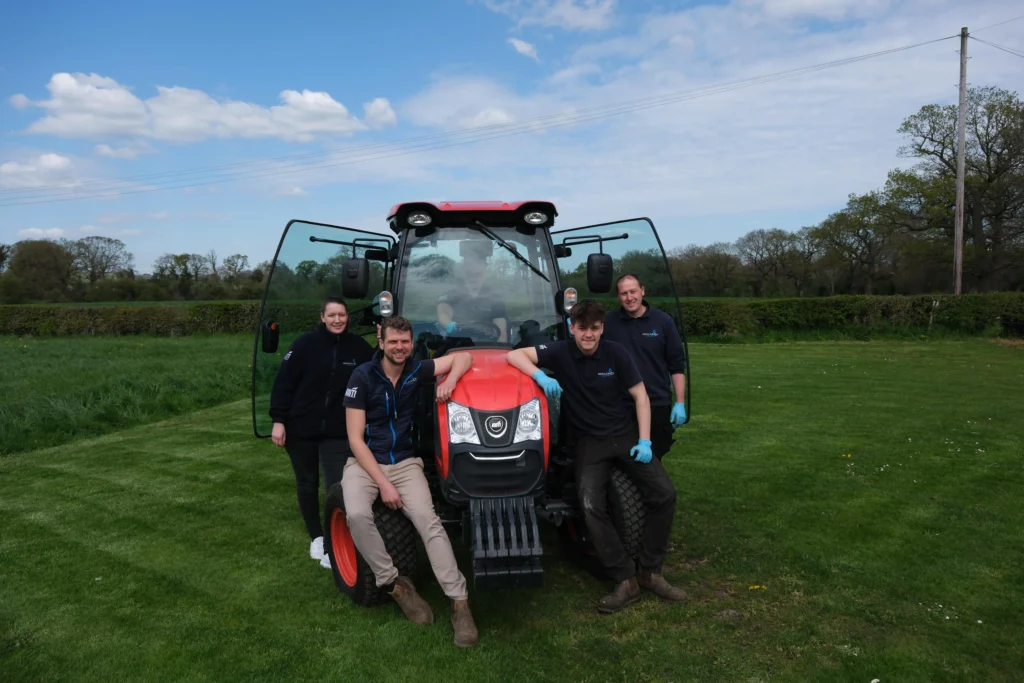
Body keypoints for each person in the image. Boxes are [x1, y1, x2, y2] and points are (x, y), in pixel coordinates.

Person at [505, 299, 688, 614]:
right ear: (572, 328)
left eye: (594, 328)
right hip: (589, 442)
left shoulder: (617, 353)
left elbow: (641, 396)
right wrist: (541, 377)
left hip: (625, 434)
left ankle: (651, 570)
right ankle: (625, 579)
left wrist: (645, 441)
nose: (588, 334)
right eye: (582, 328)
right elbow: (513, 355)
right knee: (590, 505)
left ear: (602, 328)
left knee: (664, 494)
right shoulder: (561, 351)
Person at [342, 315, 480, 648]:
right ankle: (395, 585)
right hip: (364, 463)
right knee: (358, 515)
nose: (400, 348)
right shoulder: (361, 377)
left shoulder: (417, 371)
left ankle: (459, 602)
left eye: (405, 342)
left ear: (411, 342)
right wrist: (384, 484)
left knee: (428, 521)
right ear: (382, 342)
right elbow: (355, 440)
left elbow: (464, 357)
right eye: (393, 342)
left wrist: (450, 380)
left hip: (405, 462)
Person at [269, 297, 376, 569]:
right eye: (332, 315)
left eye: (341, 315)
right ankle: (316, 536)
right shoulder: (304, 345)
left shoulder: (358, 347)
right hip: (301, 426)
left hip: (338, 430)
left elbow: (377, 370)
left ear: (347, 317)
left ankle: (334, 542)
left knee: (336, 486)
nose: (337, 320)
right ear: (322, 317)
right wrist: (278, 420)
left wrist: (383, 341)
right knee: (307, 483)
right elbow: (284, 384)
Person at [602, 274, 688, 459]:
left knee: (655, 456)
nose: (629, 297)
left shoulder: (663, 321)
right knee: (623, 458)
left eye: (633, 291)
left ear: (642, 291)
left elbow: (677, 366)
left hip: (657, 401)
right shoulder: (608, 322)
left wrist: (680, 402)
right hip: (621, 404)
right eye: (624, 293)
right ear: (618, 297)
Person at [436, 238, 508, 342]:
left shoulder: (495, 298)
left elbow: (501, 333)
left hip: (486, 347)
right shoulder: (451, 293)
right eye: (470, 271)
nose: (473, 273)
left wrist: (500, 349)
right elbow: (443, 312)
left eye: (477, 273)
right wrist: (449, 325)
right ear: (464, 266)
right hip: (457, 346)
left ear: (485, 267)